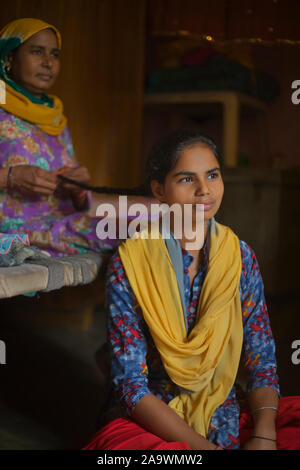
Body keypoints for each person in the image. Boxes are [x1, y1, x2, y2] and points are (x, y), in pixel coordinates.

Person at [82, 129, 300, 451]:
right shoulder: (130, 265)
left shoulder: (239, 257)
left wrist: (264, 435)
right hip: (154, 418)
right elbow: (131, 388)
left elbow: (261, 361)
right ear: (159, 189)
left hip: (221, 407)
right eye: (186, 179)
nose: (204, 190)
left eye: (212, 175)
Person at [0, 18, 125, 256]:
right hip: (14, 231)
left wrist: (78, 187)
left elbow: (83, 204)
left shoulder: (54, 117)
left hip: (61, 225)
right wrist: (12, 177)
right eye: (37, 52)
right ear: (9, 58)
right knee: (140, 230)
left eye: (55, 55)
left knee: (161, 224)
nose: (48, 63)